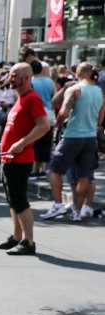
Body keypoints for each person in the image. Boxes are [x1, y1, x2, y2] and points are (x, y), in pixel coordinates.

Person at [0, 63, 49, 256]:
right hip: (8, 159)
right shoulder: (20, 99)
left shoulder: (32, 99)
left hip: (20, 159)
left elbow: (44, 126)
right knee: (13, 201)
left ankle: (29, 242)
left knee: (20, 201)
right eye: (10, 75)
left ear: (26, 77)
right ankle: (16, 237)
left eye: (14, 75)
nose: (10, 78)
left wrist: (22, 143)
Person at [41, 62, 104, 221]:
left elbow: (63, 111)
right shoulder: (99, 92)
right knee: (84, 176)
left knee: (54, 170)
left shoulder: (75, 89)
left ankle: (58, 205)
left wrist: (58, 123)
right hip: (89, 137)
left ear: (78, 73)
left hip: (73, 135)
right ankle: (77, 210)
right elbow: (101, 117)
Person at [30, 60, 57, 178]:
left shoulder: (30, 82)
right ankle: (45, 168)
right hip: (49, 114)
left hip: (35, 115)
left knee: (35, 141)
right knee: (47, 141)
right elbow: (55, 96)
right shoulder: (50, 82)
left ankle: (35, 168)